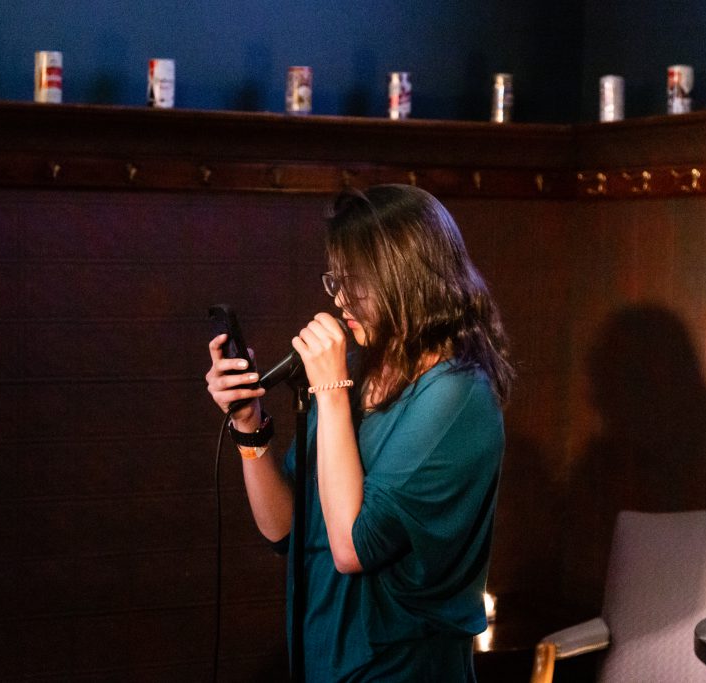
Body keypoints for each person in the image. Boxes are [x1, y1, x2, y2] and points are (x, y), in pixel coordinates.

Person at [205, 184, 513, 681]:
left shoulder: (457, 396)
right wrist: (249, 424)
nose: (342, 298)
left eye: (358, 282)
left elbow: (352, 549)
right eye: (338, 281)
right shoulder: (358, 372)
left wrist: (329, 391)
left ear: (407, 278)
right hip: (323, 659)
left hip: (402, 670)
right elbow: (283, 527)